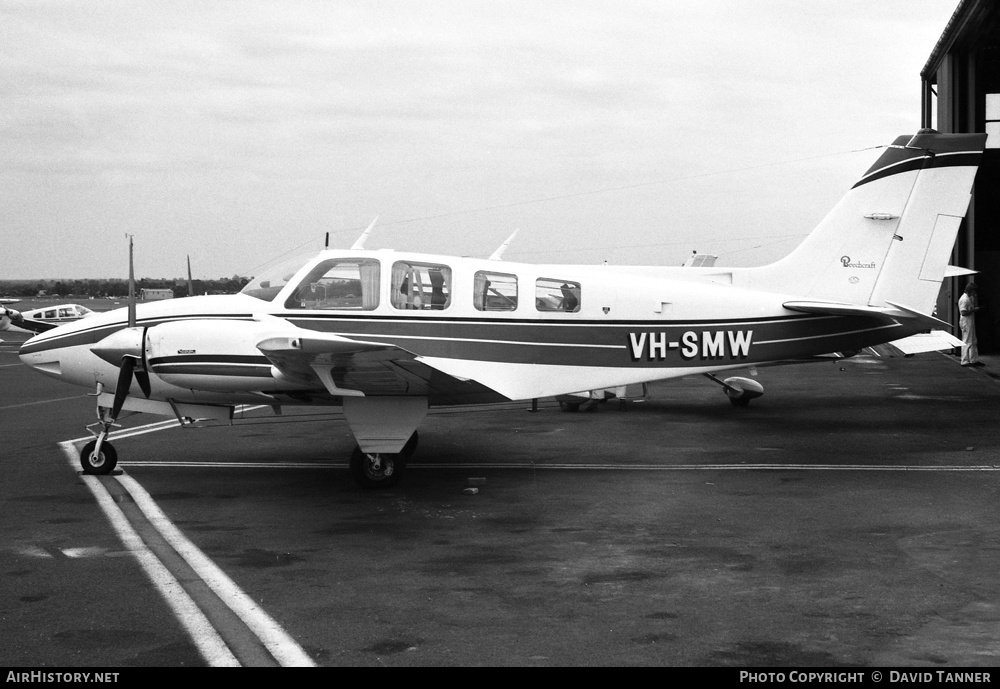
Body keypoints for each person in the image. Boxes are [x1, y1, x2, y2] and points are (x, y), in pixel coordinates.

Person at [958, 282, 983, 367]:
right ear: (971, 291)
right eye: (974, 292)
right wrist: (973, 310)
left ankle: (973, 359)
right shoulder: (964, 299)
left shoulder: (968, 298)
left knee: (972, 340)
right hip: (966, 322)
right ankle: (964, 361)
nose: (975, 294)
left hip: (969, 322)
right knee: (967, 341)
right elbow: (963, 312)